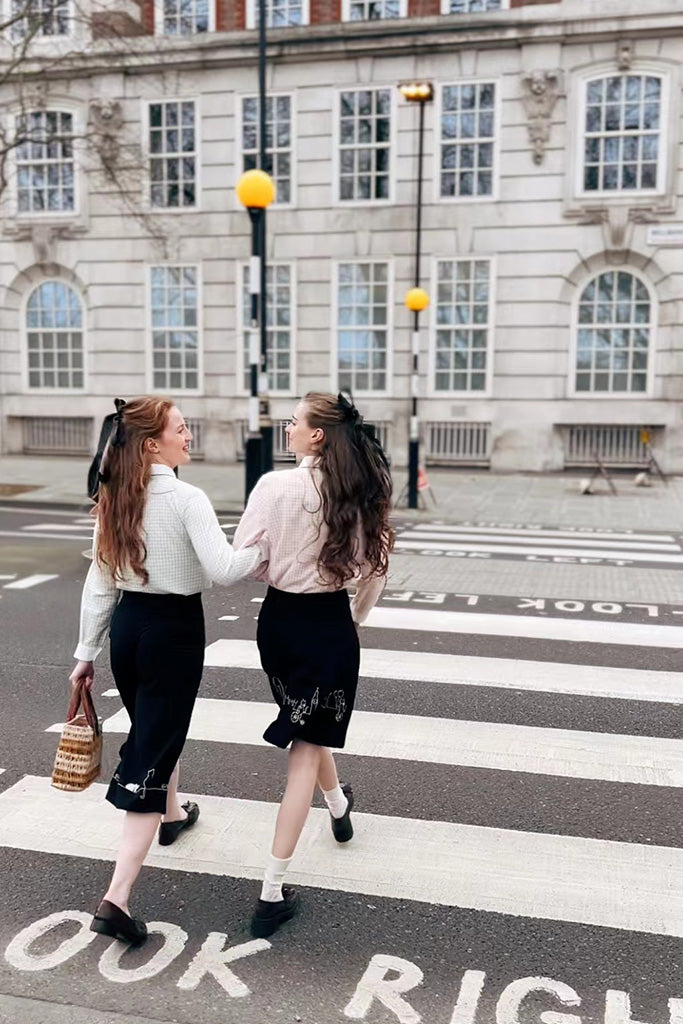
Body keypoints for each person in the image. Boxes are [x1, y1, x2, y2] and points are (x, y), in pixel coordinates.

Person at [69, 396, 263, 946]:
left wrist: (86, 653)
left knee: (156, 730)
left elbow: (100, 582)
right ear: (153, 442)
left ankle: (173, 815)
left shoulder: (115, 495)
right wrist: (262, 545)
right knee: (151, 751)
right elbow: (224, 570)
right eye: (182, 429)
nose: (189, 436)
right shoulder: (185, 497)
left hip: (128, 631)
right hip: (173, 632)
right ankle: (117, 899)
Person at [233, 391, 393, 938]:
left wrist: (281, 566)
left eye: (295, 421)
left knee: (307, 724)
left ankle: (339, 805)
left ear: (316, 434)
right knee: (306, 742)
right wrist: (355, 620)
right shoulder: (361, 492)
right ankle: (271, 892)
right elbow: (374, 574)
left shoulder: (272, 487)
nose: (288, 428)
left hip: (278, 624)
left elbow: (247, 555)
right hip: (329, 625)